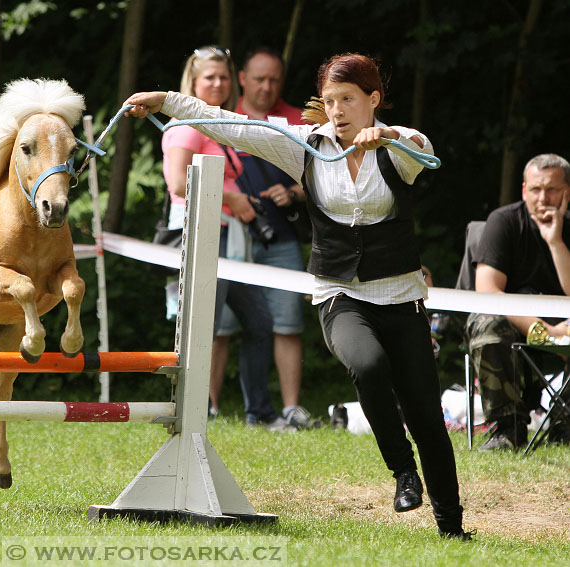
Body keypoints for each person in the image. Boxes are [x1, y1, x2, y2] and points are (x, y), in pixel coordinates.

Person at [124, 52, 468, 539]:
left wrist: (388, 135)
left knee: (426, 417)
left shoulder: (398, 148)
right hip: (339, 295)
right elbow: (232, 126)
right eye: (329, 101)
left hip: (401, 296)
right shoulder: (305, 145)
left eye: (348, 99)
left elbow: (424, 148)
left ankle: (452, 529)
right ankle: (402, 473)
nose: (337, 111)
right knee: (367, 366)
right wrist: (167, 100)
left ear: (373, 99)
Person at [161, 45, 285, 431]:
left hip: (228, 240)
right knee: (204, 330)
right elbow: (178, 182)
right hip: (200, 238)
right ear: (193, 83)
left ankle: (259, 414)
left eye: (223, 77)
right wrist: (232, 197)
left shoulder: (220, 126)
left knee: (260, 323)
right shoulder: (185, 124)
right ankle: (190, 411)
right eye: (209, 77)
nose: (217, 83)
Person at [210, 47, 316, 431]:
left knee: (286, 323)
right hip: (230, 234)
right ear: (241, 78)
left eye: (274, 80)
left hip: (282, 235)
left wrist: (295, 193)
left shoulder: (297, 120)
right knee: (218, 326)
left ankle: (289, 408)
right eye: (259, 79)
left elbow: (322, 175)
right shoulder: (222, 117)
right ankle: (211, 408)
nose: (266, 87)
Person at [466, 153, 570, 451]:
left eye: (551, 189)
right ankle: (507, 428)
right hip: (511, 321)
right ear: (524, 190)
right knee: (486, 321)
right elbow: (488, 293)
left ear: (567, 192)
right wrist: (545, 332)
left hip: (565, 321)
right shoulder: (504, 221)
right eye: (535, 190)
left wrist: (556, 242)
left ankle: (565, 423)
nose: (543, 198)